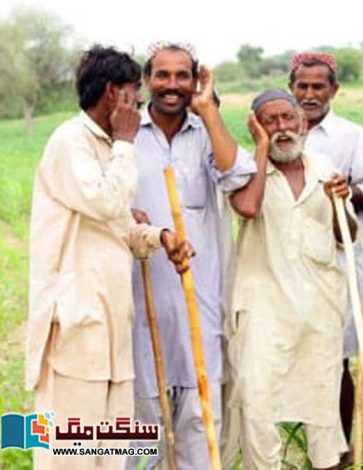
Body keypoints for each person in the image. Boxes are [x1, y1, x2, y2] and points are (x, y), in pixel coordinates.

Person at [26, 45, 188, 470]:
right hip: (78, 327)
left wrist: (158, 236)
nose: (138, 101)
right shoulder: (71, 142)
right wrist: (127, 143)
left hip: (113, 329)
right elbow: (104, 201)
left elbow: (115, 225)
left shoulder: (106, 147)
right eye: (134, 90)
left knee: (110, 458)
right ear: (114, 92)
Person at [127, 42, 256, 469]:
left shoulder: (205, 134)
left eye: (183, 76)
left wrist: (209, 109)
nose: (172, 85)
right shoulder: (126, 134)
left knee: (201, 416)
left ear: (195, 80)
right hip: (140, 299)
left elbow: (238, 175)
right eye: (162, 75)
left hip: (196, 299)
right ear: (147, 81)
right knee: (141, 419)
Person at [226, 88, 357, 470]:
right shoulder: (248, 171)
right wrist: (260, 149)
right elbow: (247, 208)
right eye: (270, 121)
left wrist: (339, 202)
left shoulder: (324, 167)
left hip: (319, 311)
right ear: (257, 127)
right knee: (259, 405)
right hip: (264, 313)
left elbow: (345, 236)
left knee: (322, 405)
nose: (281, 128)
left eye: (287, 118)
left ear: (302, 123)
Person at [288, 52, 363, 455]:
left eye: (317, 86)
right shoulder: (278, 129)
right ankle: (311, 444)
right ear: (292, 88)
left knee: (335, 357)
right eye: (302, 86)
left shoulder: (351, 136)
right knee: (298, 354)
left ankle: (340, 451)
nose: (309, 94)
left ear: (333, 90)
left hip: (338, 260)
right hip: (290, 262)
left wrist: (344, 191)